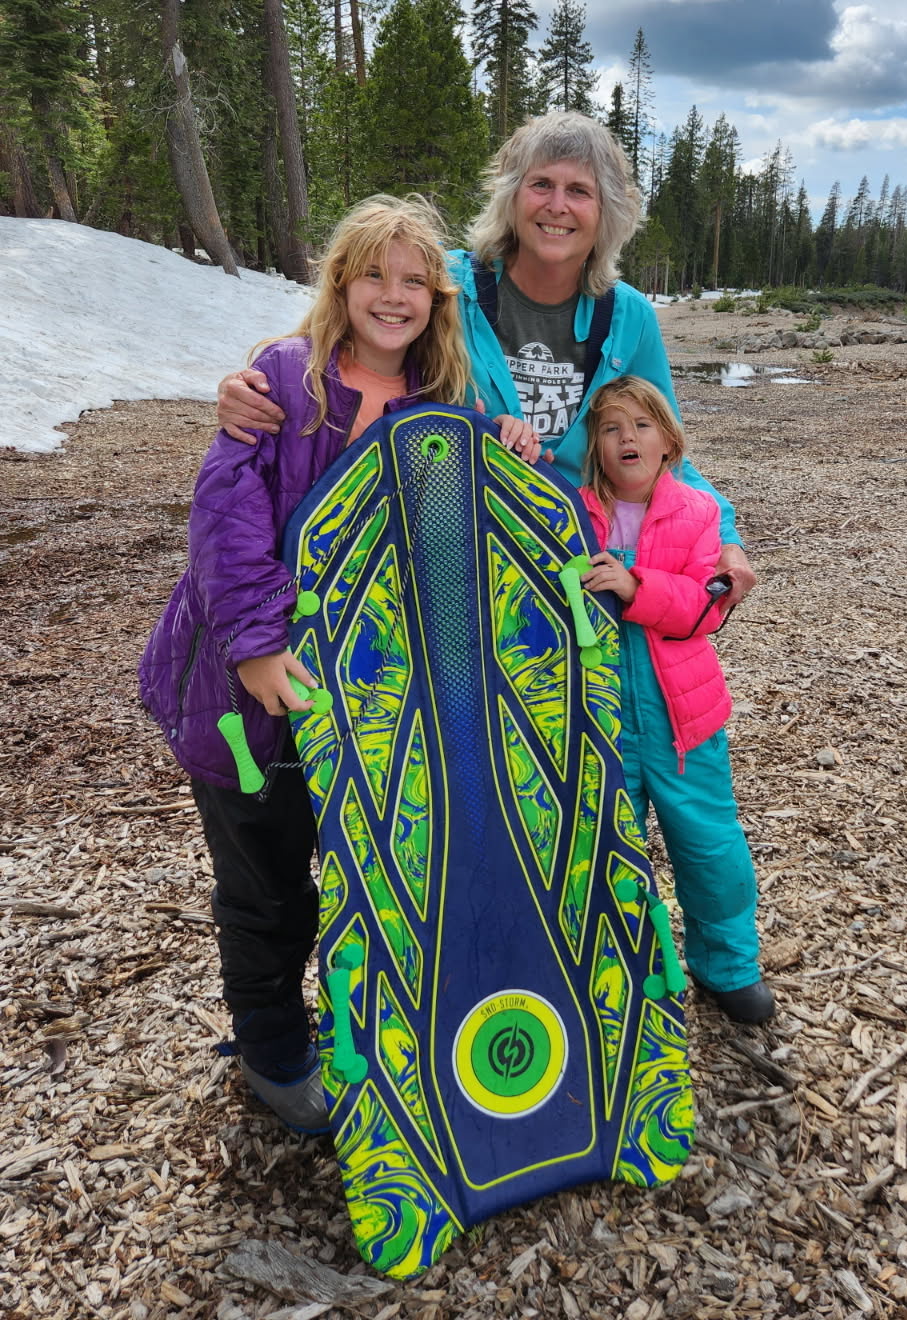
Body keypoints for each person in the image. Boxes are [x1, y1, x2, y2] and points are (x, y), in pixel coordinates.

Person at [139, 195, 540, 1134]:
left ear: (437, 298)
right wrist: (260, 646)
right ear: (340, 281)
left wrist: (510, 447)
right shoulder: (284, 375)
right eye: (375, 275)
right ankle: (274, 1050)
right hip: (243, 701)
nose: (393, 297)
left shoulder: (443, 407)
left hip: (365, 700)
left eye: (414, 280)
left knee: (368, 867)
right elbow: (223, 516)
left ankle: (363, 1033)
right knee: (266, 877)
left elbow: (461, 541)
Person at [216, 111, 755, 603]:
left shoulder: (629, 316)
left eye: (580, 191)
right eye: (540, 183)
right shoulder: (446, 282)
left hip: (576, 567)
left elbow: (668, 451)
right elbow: (344, 343)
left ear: (607, 210)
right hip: (439, 562)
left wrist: (725, 540)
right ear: (510, 196)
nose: (557, 205)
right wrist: (257, 387)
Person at [579, 376, 773, 1024]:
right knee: (611, 846)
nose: (626, 437)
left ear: (670, 442)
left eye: (641, 425)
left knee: (709, 848)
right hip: (601, 717)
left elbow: (703, 608)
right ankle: (623, 970)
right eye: (610, 428)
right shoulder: (577, 512)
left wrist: (635, 588)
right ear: (595, 447)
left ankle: (727, 965)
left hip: (684, 720)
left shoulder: (697, 514)